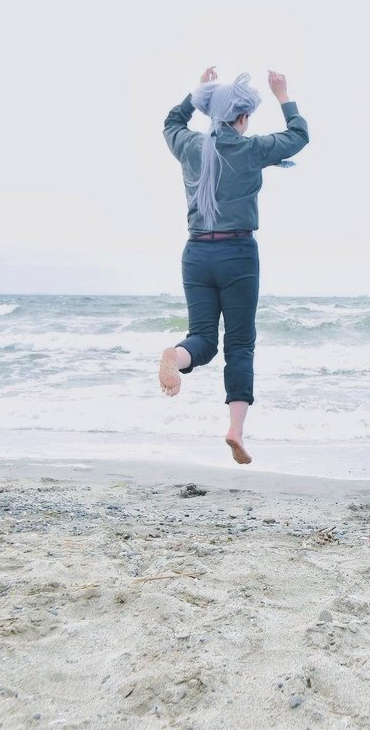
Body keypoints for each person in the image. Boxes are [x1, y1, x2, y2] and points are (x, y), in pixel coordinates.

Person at [157, 66, 309, 465]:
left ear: (211, 113)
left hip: (196, 254)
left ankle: (177, 355)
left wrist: (198, 92)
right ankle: (235, 430)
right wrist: (282, 94)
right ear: (241, 118)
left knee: (203, 339)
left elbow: (171, 123)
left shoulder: (190, 145)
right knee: (239, 344)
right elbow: (298, 136)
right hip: (237, 253)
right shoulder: (251, 149)